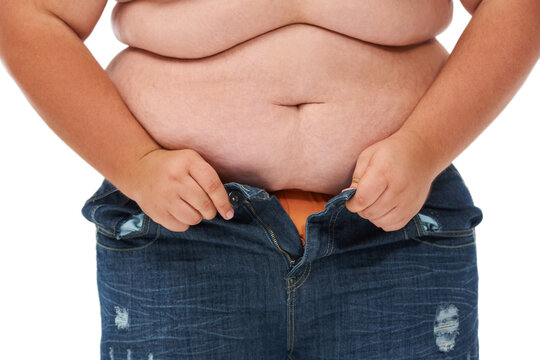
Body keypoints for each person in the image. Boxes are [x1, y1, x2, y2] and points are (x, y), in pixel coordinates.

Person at [0, 0, 538, 359]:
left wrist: (425, 147)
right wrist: (133, 162)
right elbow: (32, 14)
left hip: (395, 230)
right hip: (186, 232)